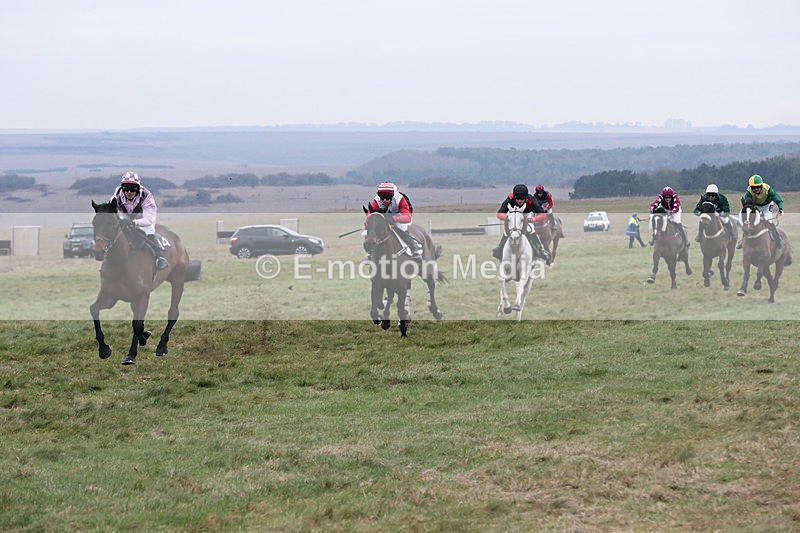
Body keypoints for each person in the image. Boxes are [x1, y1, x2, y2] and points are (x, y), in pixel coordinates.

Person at [111, 171, 169, 270]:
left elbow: (149, 219)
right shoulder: (117, 193)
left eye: (133, 189)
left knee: (149, 231)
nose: (129, 192)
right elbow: (111, 210)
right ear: (122, 187)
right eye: (126, 188)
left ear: (138, 188)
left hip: (143, 218)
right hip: (125, 215)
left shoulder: (146, 195)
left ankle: (159, 257)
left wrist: (135, 223)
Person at [492, 184, 551, 264]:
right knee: (507, 232)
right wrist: (508, 218)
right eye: (517, 199)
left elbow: (543, 215)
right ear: (514, 197)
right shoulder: (510, 198)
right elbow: (499, 214)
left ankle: (540, 250)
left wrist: (533, 219)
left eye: (522, 199)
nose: (519, 201)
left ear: (526, 197)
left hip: (526, 215)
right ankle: (499, 249)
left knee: (530, 230)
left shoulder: (531, 200)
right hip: (513, 216)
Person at [366, 182, 423, 259]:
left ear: (392, 196)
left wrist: (394, 219)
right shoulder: (376, 200)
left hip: (399, 216)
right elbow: (370, 216)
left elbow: (407, 217)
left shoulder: (400, 199)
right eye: (382, 198)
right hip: (384, 217)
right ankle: (370, 253)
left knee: (402, 229)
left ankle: (415, 250)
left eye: (387, 198)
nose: (384, 200)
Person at [738, 174, 784, 249]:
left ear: (761, 185)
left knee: (769, 222)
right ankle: (743, 240)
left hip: (767, 205)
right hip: (756, 206)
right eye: (753, 187)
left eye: (758, 187)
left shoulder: (768, 190)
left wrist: (781, 208)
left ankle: (778, 240)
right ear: (750, 187)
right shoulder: (748, 192)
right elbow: (748, 205)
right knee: (749, 221)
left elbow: (778, 200)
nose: (756, 189)